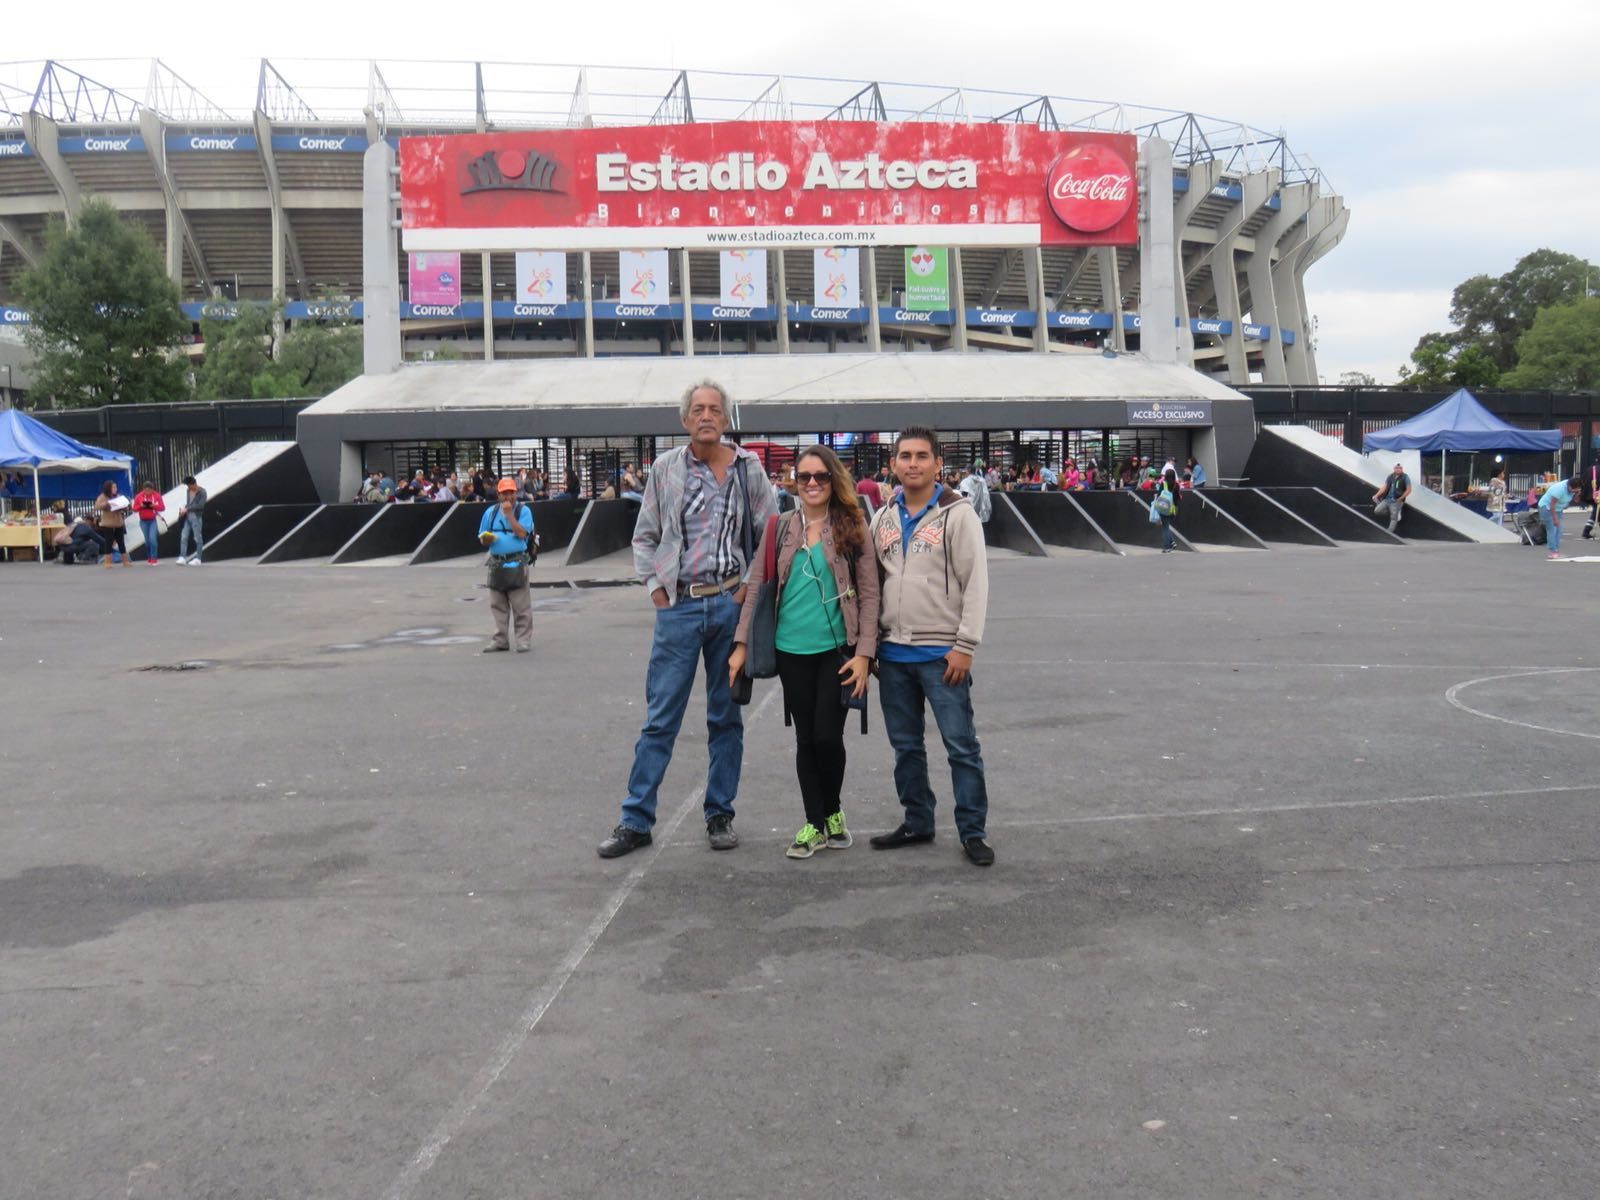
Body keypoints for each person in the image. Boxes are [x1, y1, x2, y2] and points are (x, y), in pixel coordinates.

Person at [597, 380, 778, 859]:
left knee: (726, 716)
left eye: (714, 409)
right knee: (660, 719)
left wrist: (748, 589)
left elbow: (771, 532)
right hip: (678, 607)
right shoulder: (666, 468)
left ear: (726, 418)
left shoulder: (748, 469)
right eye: (697, 409)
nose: (706, 416)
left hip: (729, 605)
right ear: (684, 420)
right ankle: (635, 820)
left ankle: (720, 814)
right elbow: (645, 536)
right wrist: (656, 589)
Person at [729, 445, 880, 859]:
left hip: (838, 652)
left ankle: (833, 811)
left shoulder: (853, 527)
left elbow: (869, 594)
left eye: (821, 476)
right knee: (805, 738)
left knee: (828, 736)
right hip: (790, 649)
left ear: (834, 481)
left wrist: (865, 653)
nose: (812, 483)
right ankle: (816, 822)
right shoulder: (779, 527)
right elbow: (757, 590)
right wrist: (741, 646)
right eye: (804, 476)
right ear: (793, 481)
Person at [866, 426, 994, 867]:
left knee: (961, 746)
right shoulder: (881, 517)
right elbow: (872, 585)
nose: (913, 463)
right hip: (893, 656)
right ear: (894, 464)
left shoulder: (958, 514)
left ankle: (972, 831)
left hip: (943, 655)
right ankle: (917, 821)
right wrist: (870, 647)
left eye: (922, 456)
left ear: (938, 463)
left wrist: (966, 645)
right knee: (906, 748)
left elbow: (975, 584)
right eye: (905, 456)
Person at [478, 477, 534, 652]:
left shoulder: (523, 511)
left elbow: (521, 533)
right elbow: (482, 536)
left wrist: (509, 515)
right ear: (498, 494)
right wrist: (486, 539)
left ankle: (522, 640)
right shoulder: (490, 512)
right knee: (498, 604)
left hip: (516, 561)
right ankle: (500, 640)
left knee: (520, 604)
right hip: (496, 563)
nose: (508, 496)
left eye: (511, 492)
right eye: (504, 493)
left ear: (516, 493)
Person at [1538, 475, 1578, 560]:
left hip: (1558, 508)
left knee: (1559, 530)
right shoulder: (1559, 490)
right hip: (1547, 507)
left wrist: (1577, 494)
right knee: (1552, 529)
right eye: (1574, 490)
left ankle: (1556, 550)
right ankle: (1553, 551)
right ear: (1569, 486)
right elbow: (1552, 505)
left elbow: (1576, 499)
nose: (1575, 491)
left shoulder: (1573, 486)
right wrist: (1555, 519)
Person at [93, 481, 131, 568]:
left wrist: (125, 506)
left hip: (118, 522)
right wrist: (107, 503)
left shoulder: (118, 496)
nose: (115, 489)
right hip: (108, 523)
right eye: (114, 487)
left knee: (121, 541)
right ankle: (107, 562)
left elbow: (126, 507)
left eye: (116, 487)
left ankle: (125, 561)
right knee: (109, 542)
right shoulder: (103, 496)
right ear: (108, 488)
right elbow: (97, 506)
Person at [131, 480, 165, 565]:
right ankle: (149, 557)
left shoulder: (156, 496)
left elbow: (162, 507)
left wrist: (154, 506)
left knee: (152, 539)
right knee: (147, 541)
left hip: (152, 520)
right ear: (143, 490)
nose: (147, 493)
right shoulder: (139, 496)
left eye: (149, 491)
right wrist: (140, 506)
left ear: (152, 490)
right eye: (146, 491)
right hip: (143, 521)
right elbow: (134, 509)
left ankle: (154, 559)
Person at [1372, 462, 1411, 534]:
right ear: (1394, 469)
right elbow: (1385, 486)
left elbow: (1409, 490)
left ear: (1402, 469)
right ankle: (1394, 513)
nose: (1398, 469)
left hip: (1396, 500)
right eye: (1397, 468)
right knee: (1377, 510)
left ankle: (1389, 532)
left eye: (1400, 468)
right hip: (1387, 499)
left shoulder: (1405, 477)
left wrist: (1401, 498)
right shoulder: (1390, 476)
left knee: (1393, 517)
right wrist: (1377, 495)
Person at [176, 476, 207, 565]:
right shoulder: (188, 491)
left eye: (189, 485)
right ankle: (182, 557)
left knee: (197, 538)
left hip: (196, 518)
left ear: (194, 484)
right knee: (184, 536)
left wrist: (187, 509)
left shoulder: (202, 492)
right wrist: (184, 509)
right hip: (187, 517)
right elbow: (189, 503)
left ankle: (198, 558)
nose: (188, 488)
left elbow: (200, 506)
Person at [957, 460, 992, 524]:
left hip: (970, 513)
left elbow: (964, 497)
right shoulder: (982, 480)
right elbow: (986, 495)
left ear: (968, 471)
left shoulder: (965, 482)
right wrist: (989, 508)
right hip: (982, 513)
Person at [1155, 467, 1181, 553]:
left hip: (1163, 507)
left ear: (1166, 475)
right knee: (1167, 526)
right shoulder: (1176, 485)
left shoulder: (1163, 484)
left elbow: (1159, 495)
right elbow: (1177, 498)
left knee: (1165, 527)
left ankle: (1167, 547)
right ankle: (1172, 542)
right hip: (1173, 509)